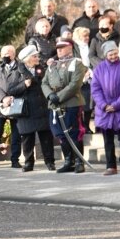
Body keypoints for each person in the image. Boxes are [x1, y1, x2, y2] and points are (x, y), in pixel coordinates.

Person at [42, 38, 88, 173]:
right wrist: (50, 95)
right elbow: (44, 83)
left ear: (70, 47)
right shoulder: (53, 65)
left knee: (75, 132)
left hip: (71, 103)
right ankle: (69, 161)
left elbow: (75, 85)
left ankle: (79, 161)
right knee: (60, 134)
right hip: (54, 105)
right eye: (58, 47)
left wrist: (59, 97)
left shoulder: (77, 63)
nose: (59, 49)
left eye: (63, 47)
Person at [8, 45, 55, 172]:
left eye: (36, 56)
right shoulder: (17, 72)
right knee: (27, 138)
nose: (37, 58)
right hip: (26, 109)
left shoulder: (41, 69)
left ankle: (50, 161)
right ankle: (29, 163)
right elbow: (10, 89)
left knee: (46, 136)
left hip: (41, 107)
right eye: (34, 56)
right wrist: (24, 84)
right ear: (27, 59)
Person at [91, 42, 120, 175]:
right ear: (105, 55)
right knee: (108, 140)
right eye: (111, 54)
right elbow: (95, 90)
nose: (114, 56)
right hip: (104, 111)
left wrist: (116, 105)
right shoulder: (99, 69)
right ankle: (111, 166)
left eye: (115, 53)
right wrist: (104, 105)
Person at [0, 45, 22, 169]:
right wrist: (3, 98)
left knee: (16, 133)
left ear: (13, 54)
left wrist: (11, 97)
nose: (5, 55)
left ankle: (15, 159)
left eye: (8, 53)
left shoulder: (20, 67)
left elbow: (24, 83)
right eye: (3, 53)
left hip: (15, 102)